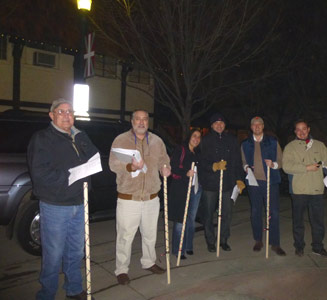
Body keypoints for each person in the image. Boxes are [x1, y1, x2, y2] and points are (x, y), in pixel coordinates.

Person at [27, 98, 99, 300]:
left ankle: (74, 288)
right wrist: (71, 176)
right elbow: (40, 174)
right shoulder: (42, 138)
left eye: (70, 112)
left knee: (76, 251)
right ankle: (47, 293)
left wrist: (79, 134)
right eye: (61, 112)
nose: (67, 115)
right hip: (55, 205)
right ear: (51, 115)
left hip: (79, 202)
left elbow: (94, 157)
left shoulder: (78, 137)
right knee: (53, 253)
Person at [109, 109, 171, 285]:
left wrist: (165, 168)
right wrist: (131, 167)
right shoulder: (121, 140)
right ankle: (121, 269)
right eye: (138, 119)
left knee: (150, 234)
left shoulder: (157, 141)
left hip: (152, 197)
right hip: (129, 197)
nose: (142, 122)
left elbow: (164, 159)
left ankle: (149, 261)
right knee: (125, 236)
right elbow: (113, 164)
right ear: (132, 121)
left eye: (145, 119)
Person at [282, 120, 327, 257]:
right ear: (295, 132)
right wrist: (306, 168)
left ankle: (318, 246)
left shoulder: (319, 145)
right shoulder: (290, 147)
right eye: (298, 129)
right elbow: (286, 167)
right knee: (298, 221)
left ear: (308, 129)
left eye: (304, 129)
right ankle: (299, 246)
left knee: (318, 221)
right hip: (299, 190)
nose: (301, 132)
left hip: (316, 189)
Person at [199, 113, 245, 252]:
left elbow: (237, 161)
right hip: (210, 184)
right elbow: (200, 162)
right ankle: (210, 241)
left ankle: (224, 239)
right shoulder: (205, 141)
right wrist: (213, 166)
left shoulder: (231, 140)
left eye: (221, 123)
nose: (219, 125)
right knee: (208, 214)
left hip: (227, 183)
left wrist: (239, 178)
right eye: (216, 123)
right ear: (212, 125)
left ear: (224, 125)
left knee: (227, 213)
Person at [241, 116, 286, 255]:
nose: (257, 127)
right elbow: (243, 162)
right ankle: (258, 240)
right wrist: (247, 167)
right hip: (254, 183)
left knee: (274, 212)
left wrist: (273, 165)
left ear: (263, 126)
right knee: (255, 211)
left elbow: (281, 161)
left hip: (270, 181)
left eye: (259, 124)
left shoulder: (272, 142)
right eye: (254, 125)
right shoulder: (245, 144)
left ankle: (275, 243)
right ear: (251, 127)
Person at [168, 129, 202, 259]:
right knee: (180, 220)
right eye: (194, 136)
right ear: (189, 137)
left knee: (191, 220)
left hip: (196, 189)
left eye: (199, 137)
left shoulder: (197, 152)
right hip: (181, 189)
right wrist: (185, 173)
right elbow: (173, 167)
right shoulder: (181, 150)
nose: (196, 139)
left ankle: (188, 246)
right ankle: (178, 249)